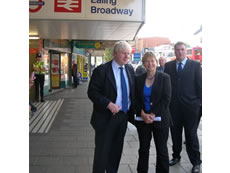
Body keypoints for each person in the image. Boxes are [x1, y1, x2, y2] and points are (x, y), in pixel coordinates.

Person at [87, 41, 135, 173]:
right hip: (105, 118)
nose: (127, 57)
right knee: (102, 151)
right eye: (123, 53)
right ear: (115, 54)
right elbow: (92, 92)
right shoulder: (102, 70)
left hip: (123, 117)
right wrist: (108, 104)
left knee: (116, 150)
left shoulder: (130, 69)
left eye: (129, 54)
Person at [164, 41, 202, 173]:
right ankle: (176, 156)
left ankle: (196, 162)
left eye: (182, 49)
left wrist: (198, 104)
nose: (180, 52)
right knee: (175, 134)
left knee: (191, 136)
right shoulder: (168, 66)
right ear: (174, 51)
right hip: (174, 109)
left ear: (186, 51)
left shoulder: (195, 65)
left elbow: (200, 86)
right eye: (178, 50)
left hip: (191, 108)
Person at [135, 52, 172, 173]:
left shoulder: (165, 78)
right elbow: (135, 99)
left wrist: (153, 114)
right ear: (143, 64)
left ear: (156, 62)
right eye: (147, 61)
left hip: (160, 119)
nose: (150, 63)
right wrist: (142, 113)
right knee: (143, 149)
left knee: (161, 150)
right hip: (143, 119)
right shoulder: (139, 79)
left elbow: (166, 99)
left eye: (152, 61)